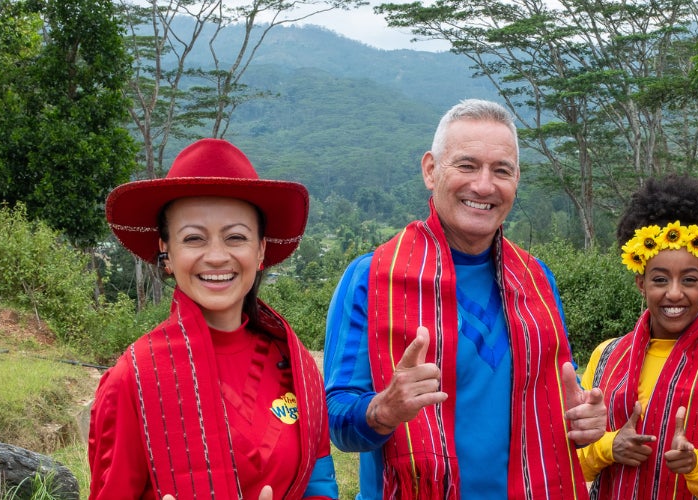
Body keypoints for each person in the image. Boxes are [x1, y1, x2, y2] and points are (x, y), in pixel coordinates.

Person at [323, 99, 606, 500]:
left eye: (501, 171)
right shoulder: (370, 277)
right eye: (467, 165)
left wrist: (584, 419)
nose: (484, 185)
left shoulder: (536, 279)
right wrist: (383, 409)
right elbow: (337, 420)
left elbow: (562, 391)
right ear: (430, 170)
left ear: (516, 180)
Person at [88, 138, 337, 500]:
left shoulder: (296, 366)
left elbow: (319, 485)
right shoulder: (135, 380)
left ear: (261, 249)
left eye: (236, 237)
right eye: (193, 239)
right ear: (166, 252)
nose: (217, 256)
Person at [578, 176, 698, 500]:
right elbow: (566, 462)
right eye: (660, 279)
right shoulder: (605, 357)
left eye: (689, 279)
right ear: (640, 283)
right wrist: (608, 447)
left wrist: (695, 468)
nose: (674, 293)